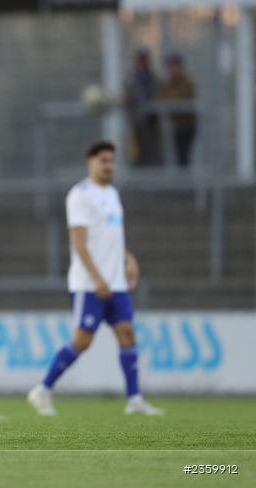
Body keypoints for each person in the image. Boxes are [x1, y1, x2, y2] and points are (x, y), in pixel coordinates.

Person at [27, 140, 164, 417]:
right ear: (90, 163)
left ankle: (135, 399)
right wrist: (98, 278)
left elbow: (109, 237)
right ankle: (42, 389)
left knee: (127, 334)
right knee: (82, 340)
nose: (109, 165)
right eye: (103, 160)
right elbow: (79, 242)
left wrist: (128, 258)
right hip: (90, 284)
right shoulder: (80, 195)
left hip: (117, 282)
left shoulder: (112, 194)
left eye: (112, 160)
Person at [157, 53, 197, 167]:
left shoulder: (187, 82)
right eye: (170, 67)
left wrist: (170, 101)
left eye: (175, 66)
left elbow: (183, 97)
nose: (173, 70)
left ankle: (185, 183)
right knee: (175, 157)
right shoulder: (167, 84)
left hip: (187, 126)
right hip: (174, 126)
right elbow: (160, 98)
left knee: (184, 157)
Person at [123, 49, 162, 166]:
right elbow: (127, 94)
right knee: (136, 151)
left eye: (143, 60)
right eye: (139, 61)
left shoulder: (152, 78)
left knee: (151, 149)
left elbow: (155, 94)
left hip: (151, 121)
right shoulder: (131, 78)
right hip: (136, 120)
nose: (141, 64)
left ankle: (152, 172)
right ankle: (137, 171)